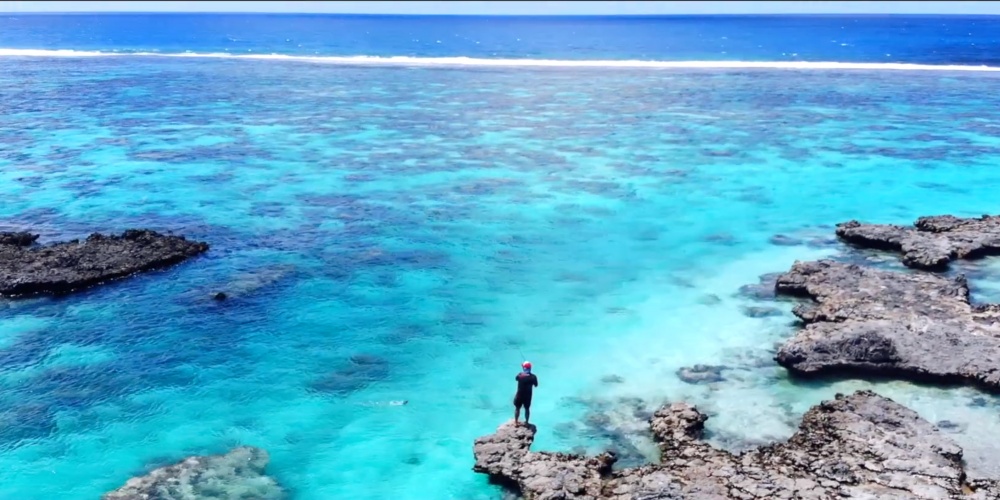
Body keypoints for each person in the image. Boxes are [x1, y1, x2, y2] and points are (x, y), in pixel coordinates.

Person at [513, 361, 538, 426]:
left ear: (524, 368)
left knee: (517, 408)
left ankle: (516, 422)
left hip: (519, 395)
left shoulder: (520, 375)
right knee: (527, 409)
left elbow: (516, 378)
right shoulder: (533, 377)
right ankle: (526, 422)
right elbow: (536, 385)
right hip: (528, 396)